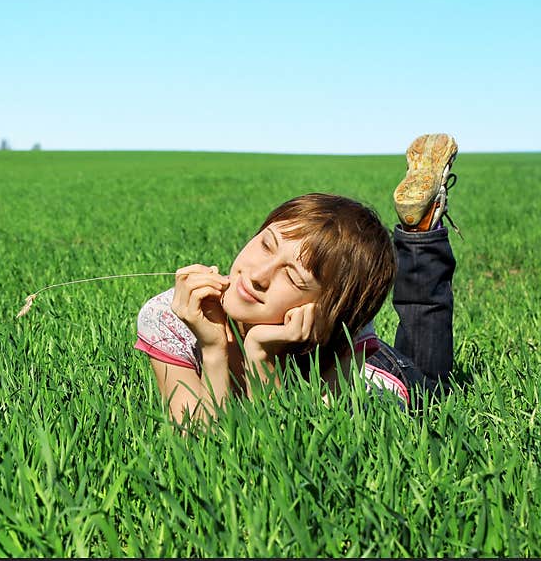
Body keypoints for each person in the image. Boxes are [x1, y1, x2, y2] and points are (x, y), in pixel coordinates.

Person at [134, 133, 459, 425]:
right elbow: (197, 447)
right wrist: (213, 347)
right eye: (266, 245)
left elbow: (300, 451)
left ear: (325, 305)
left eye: (292, 276)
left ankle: (422, 235)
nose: (258, 276)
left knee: (433, 393)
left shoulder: (342, 327)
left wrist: (264, 359)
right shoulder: (170, 316)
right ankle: (422, 231)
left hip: (375, 380)